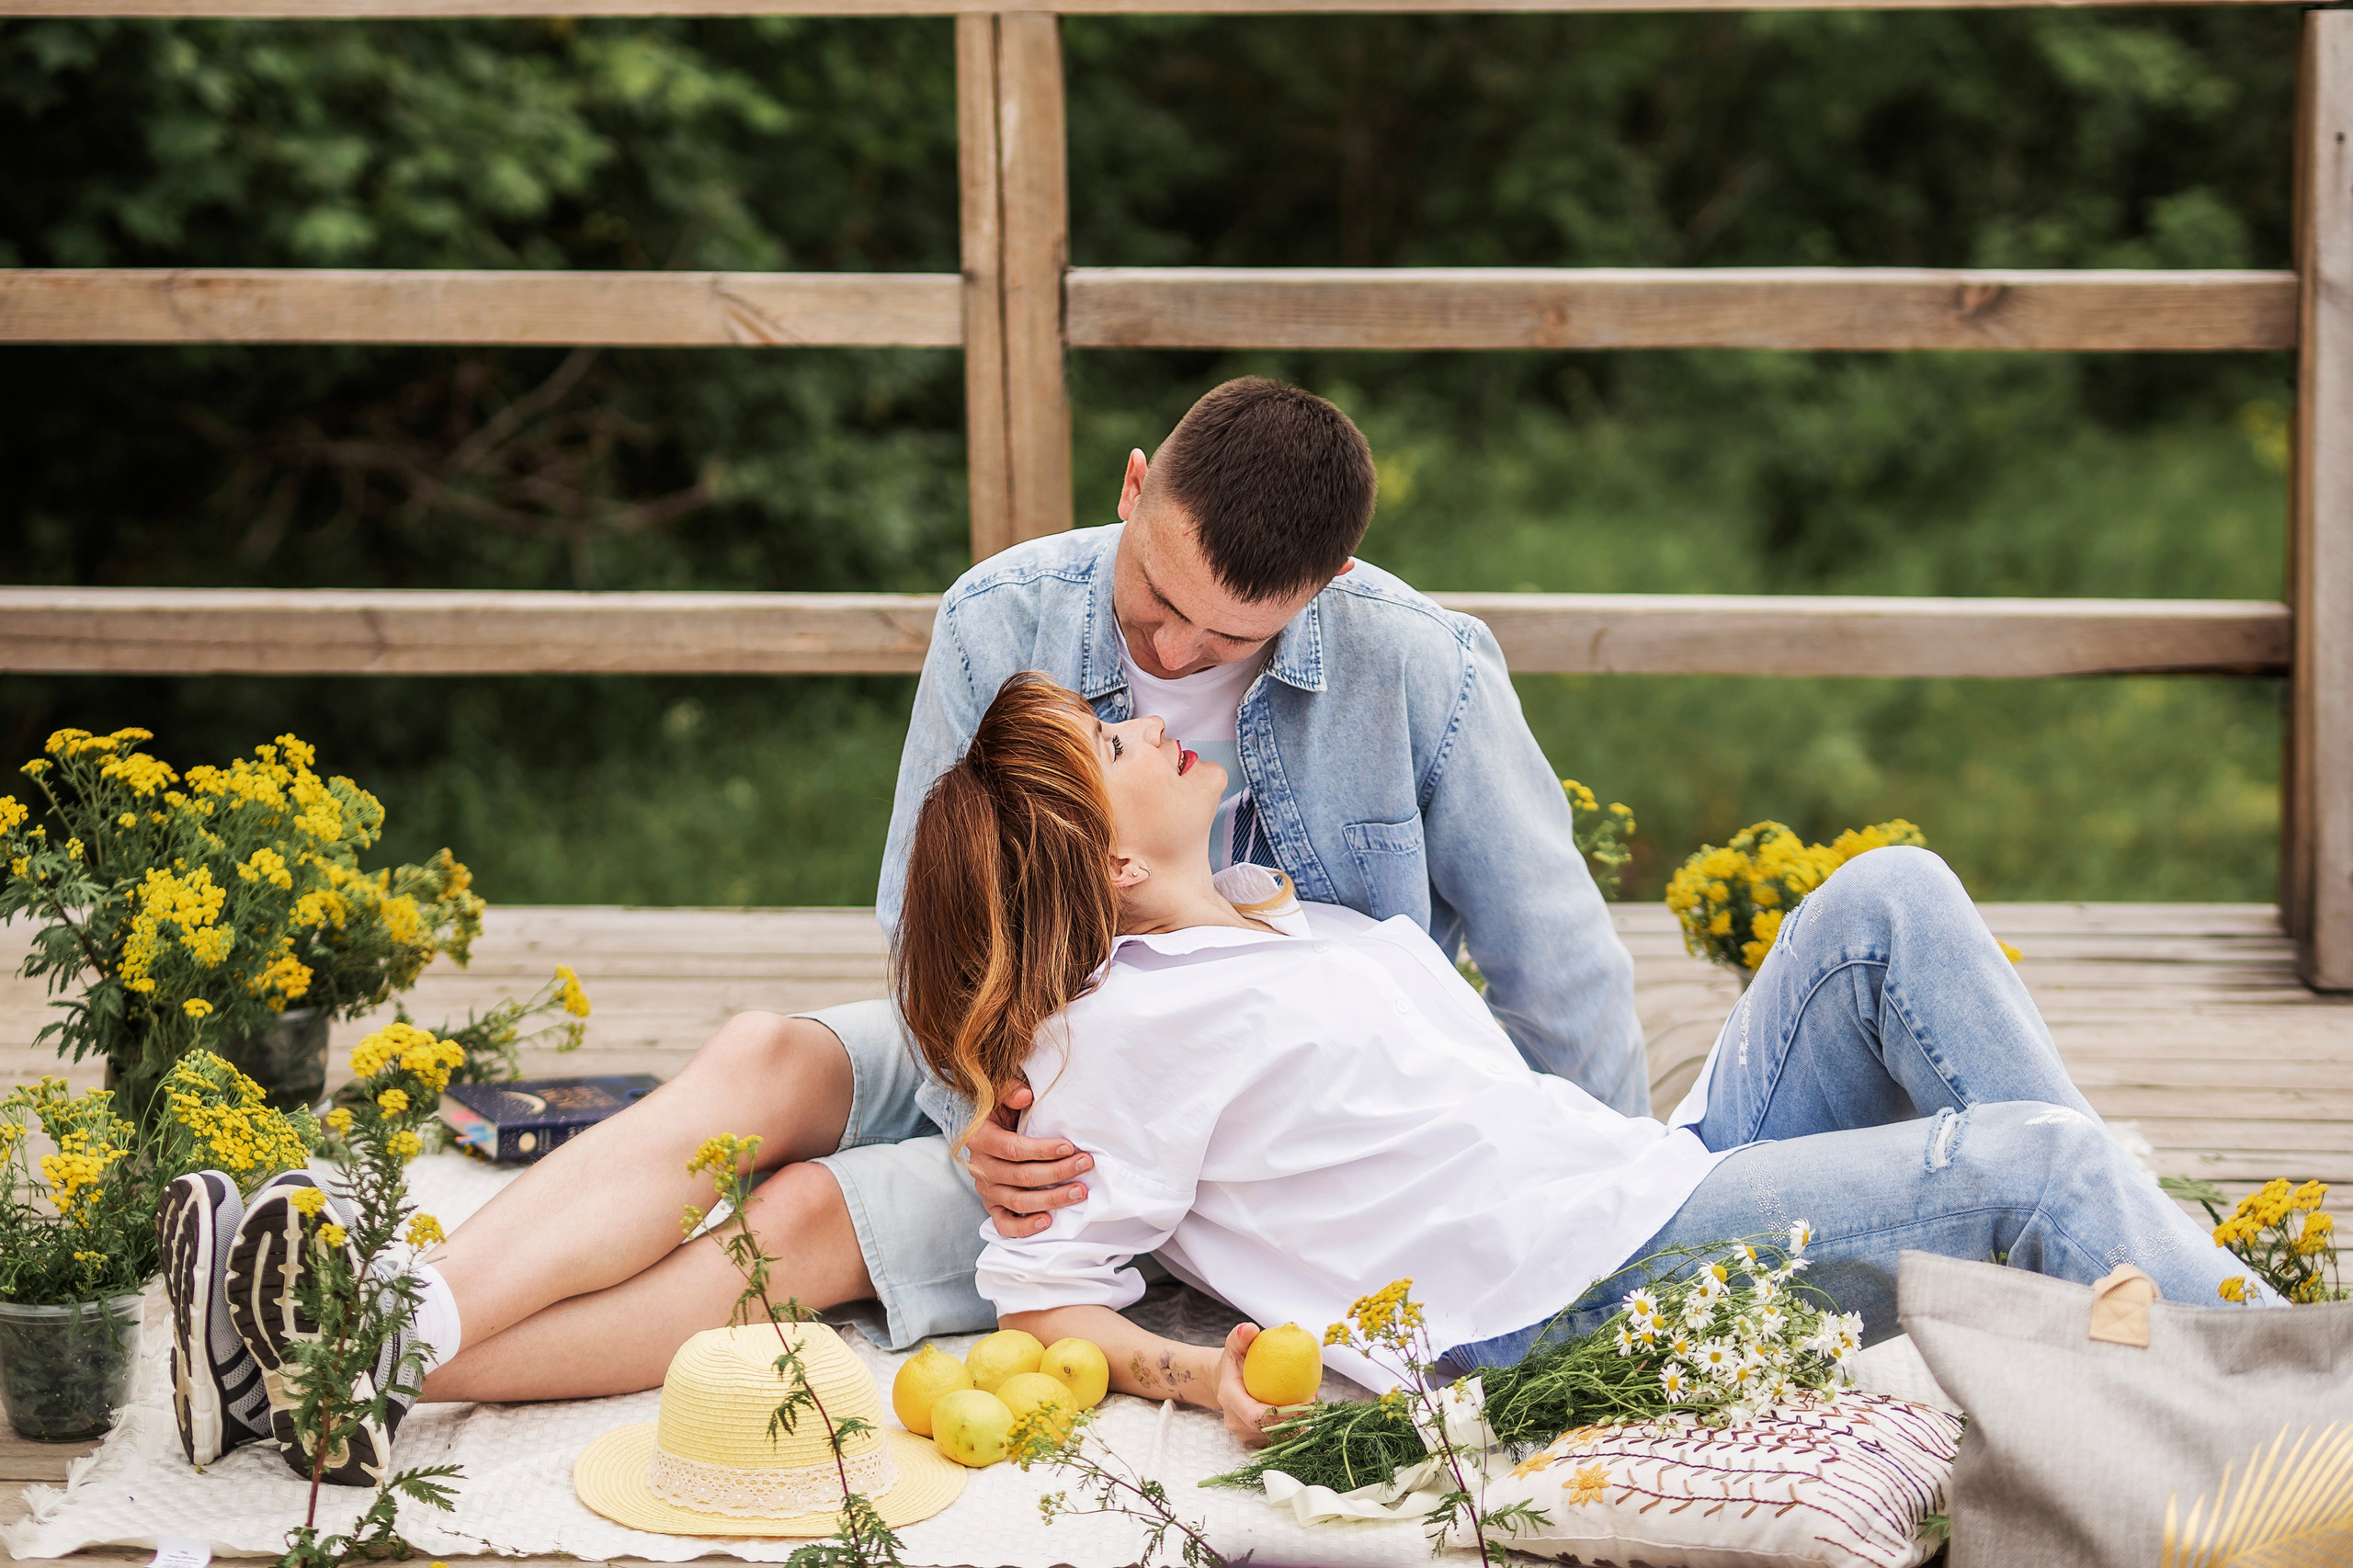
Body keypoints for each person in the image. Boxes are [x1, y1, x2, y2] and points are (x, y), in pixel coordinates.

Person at [155, 376, 1647, 1481]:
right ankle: (385, 1319)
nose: (1170, 652)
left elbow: (1562, 970)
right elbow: (921, 929)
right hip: (1013, 1048)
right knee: (763, 1059)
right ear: (1132, 487)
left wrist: (1595, 1235)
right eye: (1155, 598)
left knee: (808, 1218)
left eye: (1228, 635)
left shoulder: (1425, 670)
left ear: (1315, 596)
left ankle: (332, 1359)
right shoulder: (1001, 614)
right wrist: (975, 1103)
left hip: (1190, 1144)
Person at [892, 673, 2264, 1439]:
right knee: (2042, 1168)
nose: (1152, 721)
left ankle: (2150, 1297)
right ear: (1115, 859)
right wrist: (1207, 1376)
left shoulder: (1263, 914)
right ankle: (2281, 1382)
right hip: (1555, 1294)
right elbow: (1042, 1302)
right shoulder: (1114, 1036)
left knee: (1884, 900)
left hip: (1635, 1180)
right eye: (1114, 739)